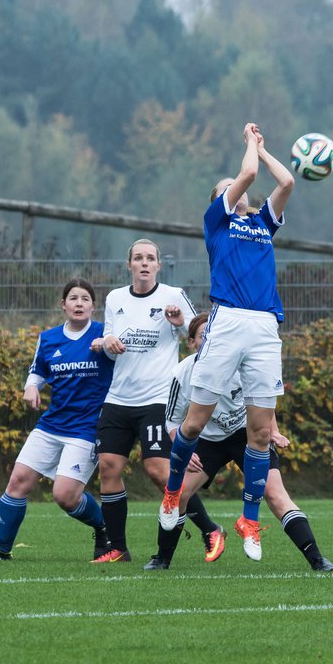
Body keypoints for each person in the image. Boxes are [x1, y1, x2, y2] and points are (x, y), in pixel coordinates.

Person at [158, 121, 295, 561]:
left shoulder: (262, 225)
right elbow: (249, 176)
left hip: (265, 327)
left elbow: (287, 180)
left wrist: (263, 146)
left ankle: (249, 520)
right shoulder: (217, 222)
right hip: (229, 320)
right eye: (228, 189)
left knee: (259, 432)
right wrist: (249, 146)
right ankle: (172, 491)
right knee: (194, 424)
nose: (237, 191)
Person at [145, 315, 333, 571]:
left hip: (245, 435)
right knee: (179, 495)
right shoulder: (183, 374)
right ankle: (162, 559)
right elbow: (172, 422)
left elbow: (262, 402)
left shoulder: (241, 367)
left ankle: (317, 560)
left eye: (213, 336)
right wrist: (183, 448)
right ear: (191, 343)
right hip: (207, 442)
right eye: (203, 336)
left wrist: (274, 431)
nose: (209, 341)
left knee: (276, 495)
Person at [93, 238, 224, 564]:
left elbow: (200, 336)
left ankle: (209, 529)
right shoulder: (115, 298)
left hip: (157, 399)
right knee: (108, 468)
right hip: (118, 398)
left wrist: (180, 323)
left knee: (157, 470)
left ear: (158, 265)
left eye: (150, 258)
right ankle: (118, 549)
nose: (144, 263)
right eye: (138, 258)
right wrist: (108, 341)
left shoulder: (173, 296)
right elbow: (109, 341)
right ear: (129, 265)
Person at [0, 277, 116, 562]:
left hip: (86, 428)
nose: (79, 303)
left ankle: (103, 528)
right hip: (51, 424)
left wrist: (109, 345)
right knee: (18, 481)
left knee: (64, 495)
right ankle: (0, 551)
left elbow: (124, 359)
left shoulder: (105, 335)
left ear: (93, 306)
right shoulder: (49, 338)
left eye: (85, 299)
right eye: (73, 298)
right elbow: (37, 371)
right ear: (63, 305)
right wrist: (31, 387)